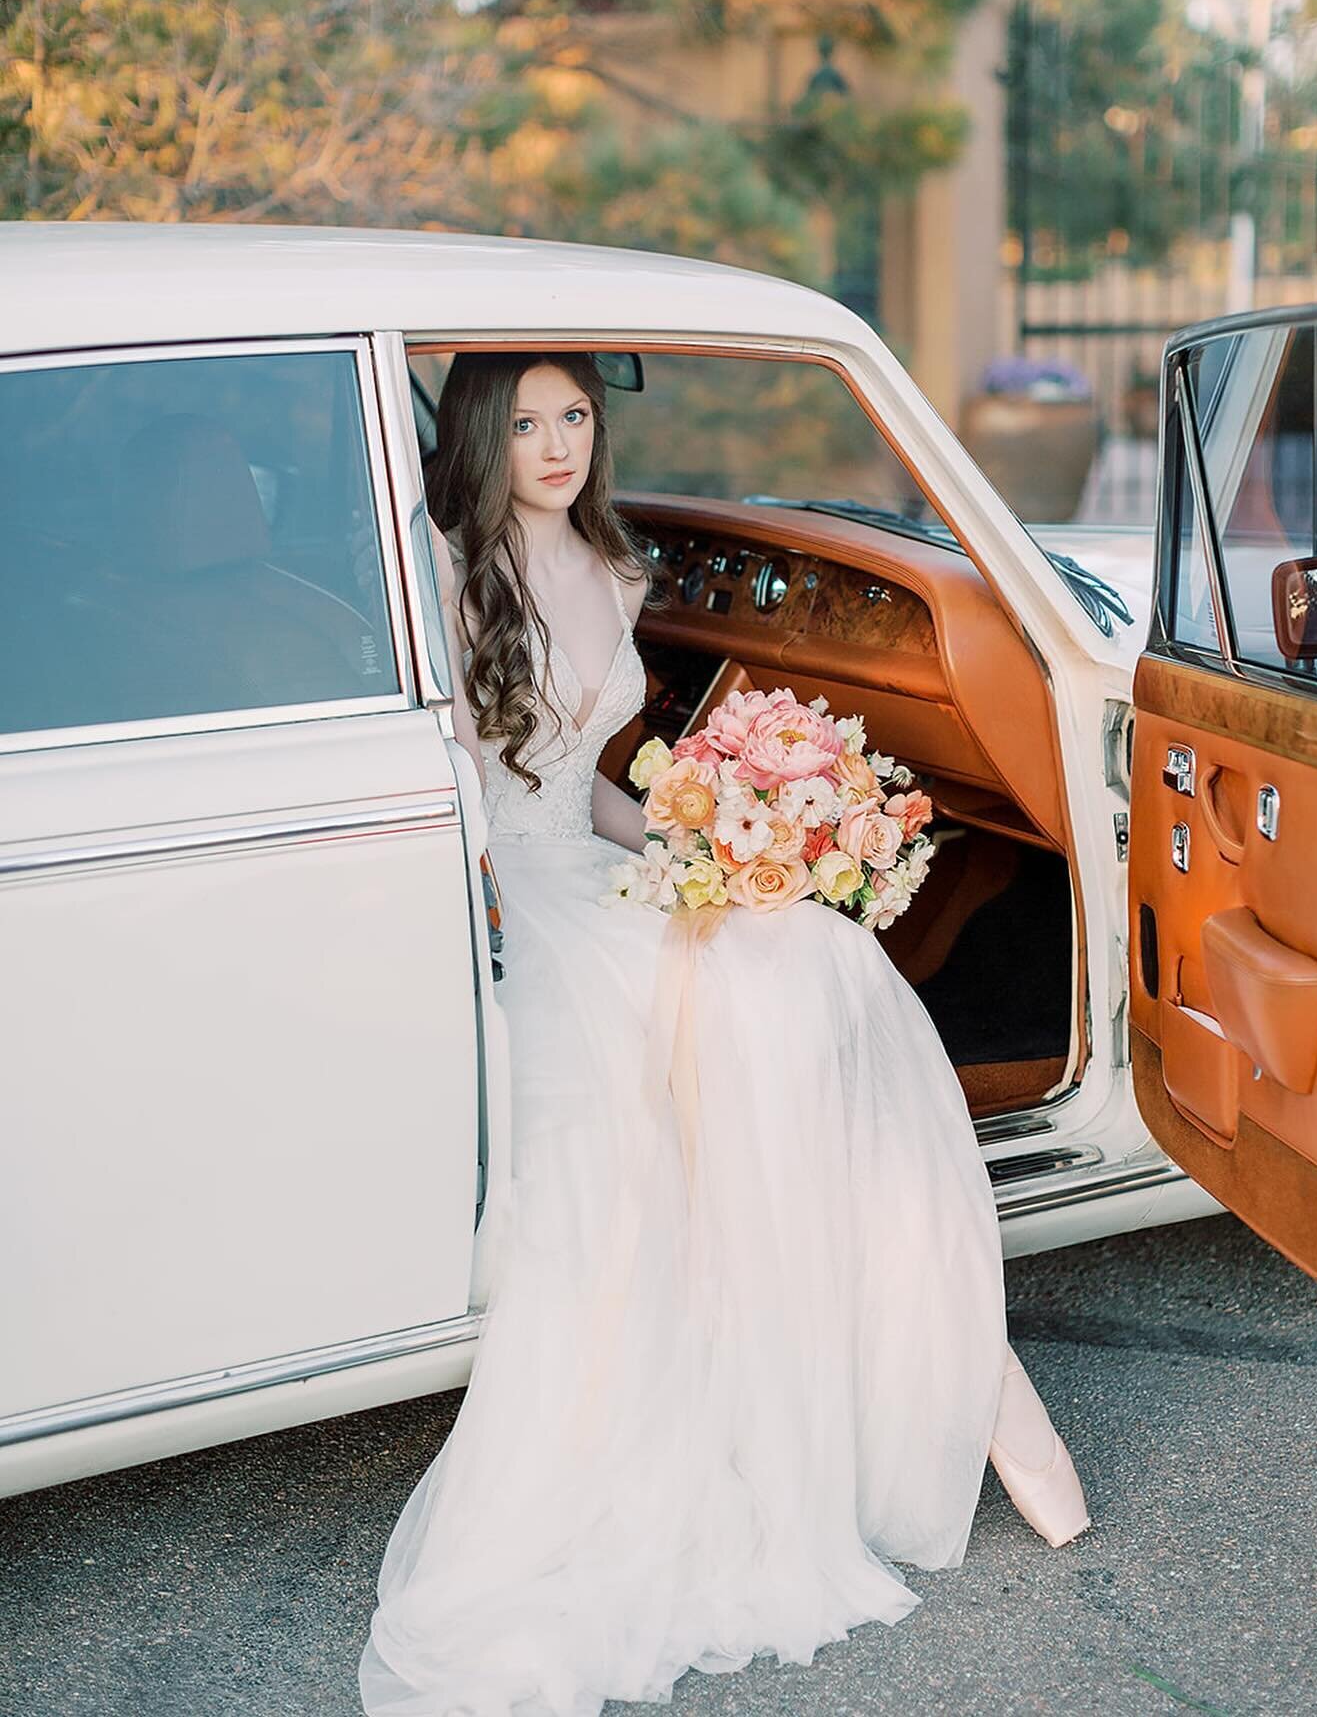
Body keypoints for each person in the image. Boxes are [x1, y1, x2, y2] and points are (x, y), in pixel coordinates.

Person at [359, 351, 1089, 1717]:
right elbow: (475, 801)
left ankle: (904, 1371)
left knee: (811, 946)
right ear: (479, 435)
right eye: (526, 422)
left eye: (576, 414)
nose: (559, 443)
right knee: (747, 1002)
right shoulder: (450, 576)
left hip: (591, 866)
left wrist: (725, 847)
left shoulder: (619, 568)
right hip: (518, 905)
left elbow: (584, 795)